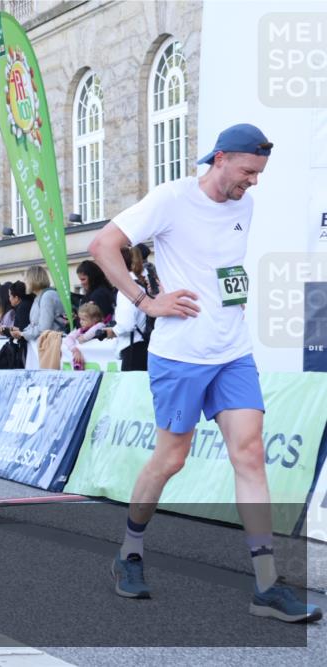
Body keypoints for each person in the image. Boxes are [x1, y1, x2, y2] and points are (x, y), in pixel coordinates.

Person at [89, 123, 320, 622]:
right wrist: (146, 302)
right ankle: (129, 552)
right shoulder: (171, 199)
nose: (253, 182)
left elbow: (224, 270)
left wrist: (232, 299)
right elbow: (102, 245)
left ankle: (266, 585)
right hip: (181, 355)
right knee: (171, 459)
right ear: (220, 159)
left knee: (251, 453)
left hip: (233, 351)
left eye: (258, 174)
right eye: (247, 171)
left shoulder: (245, 206)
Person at [10, 266, 66, 343]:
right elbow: (34, 324)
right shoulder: (39, 297)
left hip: (53, 344)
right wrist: (21, 332)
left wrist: (23, 334)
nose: (24, 282)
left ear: (34, 279)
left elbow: (44, 328)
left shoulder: (47, 296)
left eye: (26, 279)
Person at [63, 303, 106, 370]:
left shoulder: (100, 326)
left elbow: (97, 327)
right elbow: (68, 338)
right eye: (80, 319)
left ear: (94, 320)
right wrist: (74, 350)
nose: (81, 322)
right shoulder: (80, 330)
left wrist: (84, 337)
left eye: (84, 319)